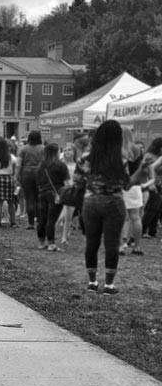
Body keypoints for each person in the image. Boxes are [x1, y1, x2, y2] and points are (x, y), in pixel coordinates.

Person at [72, 120, 130, 295]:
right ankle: (109, 286)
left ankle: (92, 282)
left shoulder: (86, 158)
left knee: (92, 243)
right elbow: (125, 184)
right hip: (114, 202)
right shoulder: (120, 159)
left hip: (91, 202)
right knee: (112, 244)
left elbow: (76, 181)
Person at [35, 143, 69, 251]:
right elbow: (67, 181)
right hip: (56, 194)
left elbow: (37, 180)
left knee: (42, 218)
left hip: (42, 193)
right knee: (51, 219)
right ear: (56, 152)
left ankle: (41, 242)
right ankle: (51, 243)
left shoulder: (41, 165)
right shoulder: (60, 165)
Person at [119, 127, 144, 255]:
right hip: (136, 186)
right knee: (136, 217)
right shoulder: (137, 150)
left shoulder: (118, 150)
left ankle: (121, 246)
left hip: (122, 185)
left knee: (122, 218)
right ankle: (137, 246)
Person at [16, 130, 44, 229]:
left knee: (29, 198)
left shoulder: (23, 149)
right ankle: (40, 221)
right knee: (39, 198)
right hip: (40, 173)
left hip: (26, 174)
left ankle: (31, 223)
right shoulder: (43, 149)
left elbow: (18, 164)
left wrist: (17, 176)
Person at [0, 136, 17, 228]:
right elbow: (14, 171)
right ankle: (13, 222)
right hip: (9, 178)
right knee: (11, 203)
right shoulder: (11, 157)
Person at [58, 143, 79, 244]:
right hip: (65, 191)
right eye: (65, 150)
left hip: (75, 191)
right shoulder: (62, 164)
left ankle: (66, 235)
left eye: (69, 150)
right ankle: (64, 237)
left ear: (74, 152)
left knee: (70, 215)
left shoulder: (77, 164)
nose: (67, 152)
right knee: (65, 215)